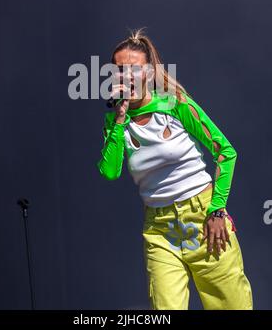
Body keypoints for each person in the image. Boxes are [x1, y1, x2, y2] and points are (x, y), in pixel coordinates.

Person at [96, 27, 253, 310]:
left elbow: (226, 153)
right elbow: (109, 171)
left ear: (149, 72)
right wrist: (119, 120)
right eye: (119, 70)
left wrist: (217, 209)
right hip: (159, 230)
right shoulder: (116, 121)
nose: (126, 76)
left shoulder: (174, 104)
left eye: (133, 69)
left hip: (204, 219)